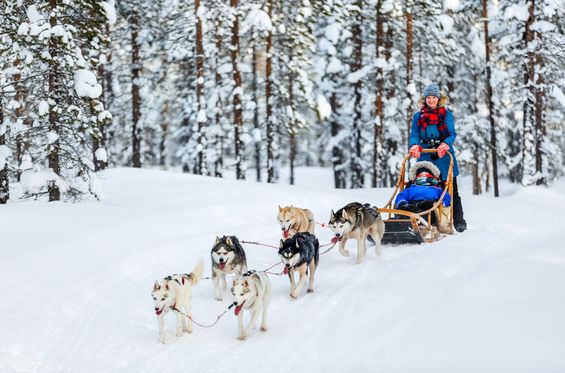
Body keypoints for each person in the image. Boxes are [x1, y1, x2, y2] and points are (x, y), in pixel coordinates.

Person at [408, 83, 467, 232]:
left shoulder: (446, 115)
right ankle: (423, 218)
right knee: (422, 186)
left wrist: (445, 144)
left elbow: (452, 134)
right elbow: (414, 134)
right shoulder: (418, 116)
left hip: (444, 157)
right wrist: (414, 145)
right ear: (425, 99)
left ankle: (458, 221)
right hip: (426, 155)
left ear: (439, 99)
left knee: (451, 189)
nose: (431, 100)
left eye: (434, 97)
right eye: (429, 97)